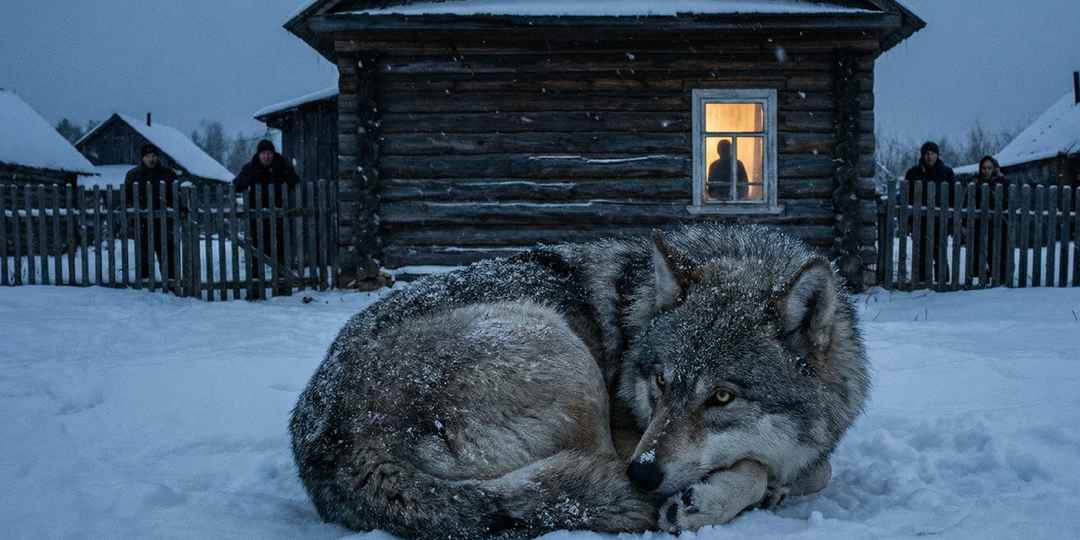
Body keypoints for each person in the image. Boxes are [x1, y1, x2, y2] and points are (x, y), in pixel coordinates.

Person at [233, 139, 300, 299]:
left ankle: (282, 289)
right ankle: (256, 289)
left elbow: (295, 181)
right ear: (259, 154)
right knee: (256, 253)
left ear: (273, 154)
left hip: (279, 218)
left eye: (269, 153)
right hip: (256, 219)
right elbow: (237, 184)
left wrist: (279, 172)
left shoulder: (281, 166)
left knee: (280, 254)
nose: (267, 157)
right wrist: (252, 177)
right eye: (264, 153)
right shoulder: (251, 168)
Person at [124, 143, 180, 287]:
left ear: (158, 157)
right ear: (143, 158)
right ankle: (145, 284)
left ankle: (171, 284)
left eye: (154, 156)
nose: (151, 159)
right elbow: (127, 197)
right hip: (141, 221)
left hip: (165, 222)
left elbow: (176, 196)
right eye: (148, 156)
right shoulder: (133, 175)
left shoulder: (168, 174)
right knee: (143, 253)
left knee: (166, 253)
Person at [904, 141, 956, 284]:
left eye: (932, 153)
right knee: (920, 252)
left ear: (937, 155)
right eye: (927, 154)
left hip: (941, 220)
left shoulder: (946, 173)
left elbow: (952, 199)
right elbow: (907, 198)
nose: (929, 157)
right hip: (919, 220)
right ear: (922, 155)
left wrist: (951, 222)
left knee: (939, 251)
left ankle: (942, 281)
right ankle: (921, 281)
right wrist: (909, 221)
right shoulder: (913, 173)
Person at [970, 155, 1010, 283]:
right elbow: (968, 205)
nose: (986, 171)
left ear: (995, 169)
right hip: (979, 228)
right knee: (979, 256)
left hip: (999, 228)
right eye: (984, 168)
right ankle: (982, 281)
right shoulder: (975, 185)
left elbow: (1007, 204)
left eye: (989, 168)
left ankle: (1000, 282)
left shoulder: (1003, 184)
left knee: (998, 256)